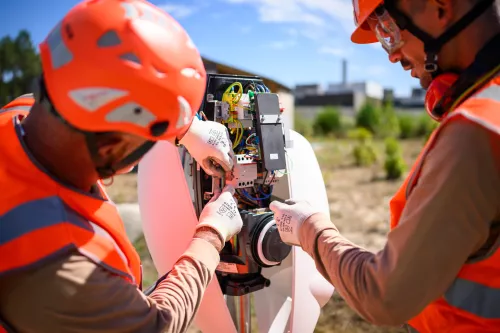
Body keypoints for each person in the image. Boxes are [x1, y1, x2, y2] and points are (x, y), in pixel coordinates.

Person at [0, 1, 243, 332]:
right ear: (112, 147)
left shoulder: (21, 115)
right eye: (147, 140)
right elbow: (157, 324)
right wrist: (212, 234)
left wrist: (186, 130)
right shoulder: (65, 264)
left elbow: (94, 81)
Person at [270, 0, 500, 332]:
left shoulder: (477, 130)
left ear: (440, 6)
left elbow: (384, 296)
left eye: (387, 30)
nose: (391, 55)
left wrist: (309, 229)